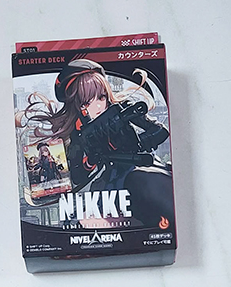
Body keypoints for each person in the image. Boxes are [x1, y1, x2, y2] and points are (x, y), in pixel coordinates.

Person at [17, 59, 174, 227]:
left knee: (148, 183)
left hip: (141, 166)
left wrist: (136, 144)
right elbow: (77, 175)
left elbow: (161, 131)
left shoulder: (121, 110)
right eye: (86, 102)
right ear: (77, 106)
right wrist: (91, 160)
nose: (98, 106)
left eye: (101, 97)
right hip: (111, 184)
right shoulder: (79, 133)